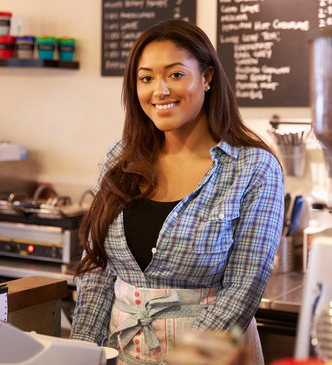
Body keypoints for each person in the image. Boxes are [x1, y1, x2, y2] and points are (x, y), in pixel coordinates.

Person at [70, 19, 285, 365]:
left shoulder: (253, 168)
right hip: (122, 352)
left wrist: (184, 359)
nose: (160, 90)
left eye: (175, 74)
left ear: (207, 77)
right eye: (146, 78)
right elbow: (97, 271)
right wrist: (80, 352)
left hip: (209, 357)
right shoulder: (121, 158)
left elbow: (245, 286)